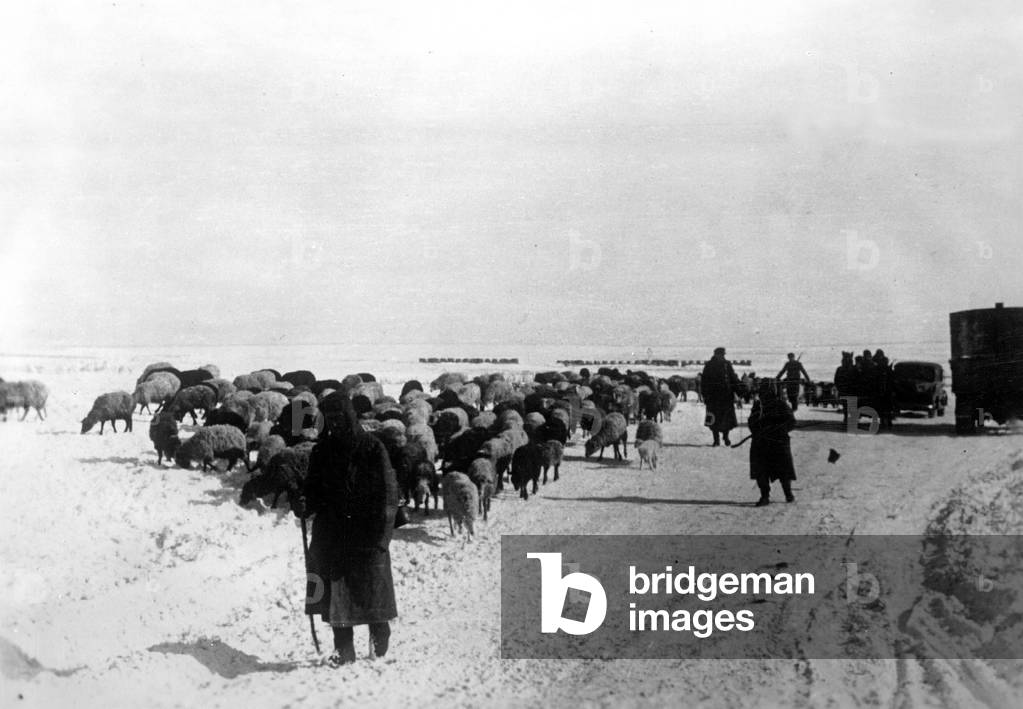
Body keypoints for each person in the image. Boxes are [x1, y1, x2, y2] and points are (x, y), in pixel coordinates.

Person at [298, 392, 399, 667]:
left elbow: (389, 493)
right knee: (333, 593)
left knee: (370, 589)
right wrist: (305, 502)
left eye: (340, 417)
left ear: (350, 416)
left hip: (365, 533)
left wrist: (382, 536)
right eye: (329, 418)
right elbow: (314, 489)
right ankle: (344, 649)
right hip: (331, 533)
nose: (335, 423)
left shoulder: (372, 448)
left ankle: (380, 631)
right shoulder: (322, 450)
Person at [748, 380, 797, 506]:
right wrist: (760, 430)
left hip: (776, 442)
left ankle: (786, 494)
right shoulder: (760, 406)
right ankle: (767, 496)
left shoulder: (780, 405)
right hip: (766, 443)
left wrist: (779, 429)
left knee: (782, 470)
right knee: (765, 470)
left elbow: (791, 422)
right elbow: (752, 423)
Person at [700, 347, 740, 446]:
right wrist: (705, 395)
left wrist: (740, 390)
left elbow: (733, 378)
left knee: (726, 419)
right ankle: (716, 440)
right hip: (713, 397)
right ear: (715, 354)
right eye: (720, 355)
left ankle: (726, 437)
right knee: (714, 419)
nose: (721, 356)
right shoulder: (709, 365)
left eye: (722, 355)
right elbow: (704, 381)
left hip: (726, 397)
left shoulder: (727, 365)